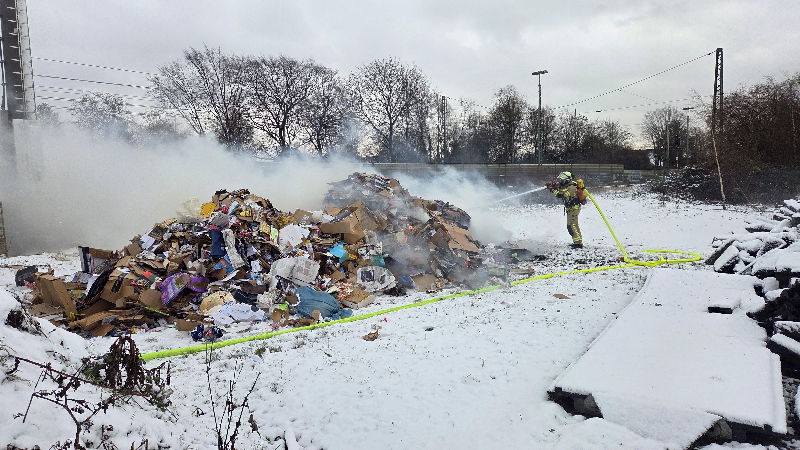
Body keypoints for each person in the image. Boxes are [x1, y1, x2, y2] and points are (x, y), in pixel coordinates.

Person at [546, 171, 587, 248]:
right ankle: (576, 241)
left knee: (573, 225)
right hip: (570, 209)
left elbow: (561, 195)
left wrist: (551, 189)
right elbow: (561, 190)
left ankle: (578, 243)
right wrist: (554, 187)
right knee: (569, 226)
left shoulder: (571, 188)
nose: (561, 182)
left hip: (574, 209)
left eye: (563, 180)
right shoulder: (567, 186)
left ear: (568, 180)